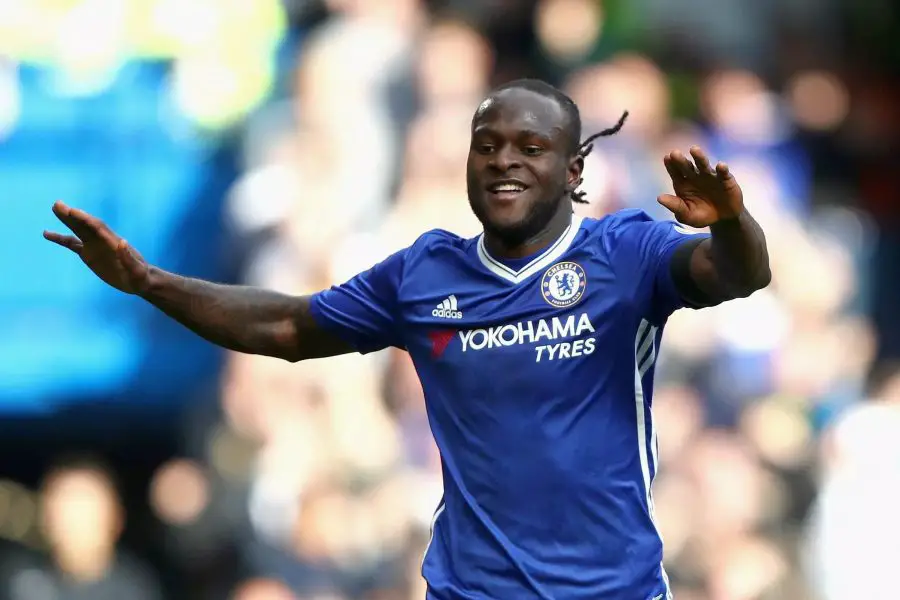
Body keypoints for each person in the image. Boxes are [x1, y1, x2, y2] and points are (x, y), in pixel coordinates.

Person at [44, 79, 770, 599]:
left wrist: (732, 224)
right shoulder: (425, 274)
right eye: (486, 146)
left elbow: (739, 274)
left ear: (573, 169)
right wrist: (149, 282)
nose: (503, 160)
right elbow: (288, 325)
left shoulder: (624, 252)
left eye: (530, 146)